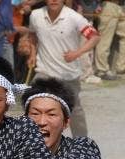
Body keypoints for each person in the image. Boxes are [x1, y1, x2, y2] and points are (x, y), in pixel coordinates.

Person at [27, 0, 100, 137]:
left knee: (74, 110)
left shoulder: (74, 17)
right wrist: (32, 54)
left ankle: (81, 143)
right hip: (44, 71)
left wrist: (77, 53)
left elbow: (94, 37)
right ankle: (35, 141)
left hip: (68, 74)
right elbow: (32, 34)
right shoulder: (35, 15)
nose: (54, 0)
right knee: (34, 105)